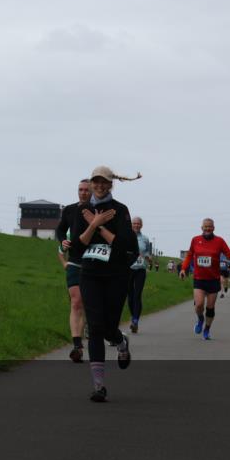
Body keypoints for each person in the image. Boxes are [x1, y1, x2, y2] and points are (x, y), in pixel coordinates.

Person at [68, 165, 141, 402]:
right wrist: (91, 224)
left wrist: (98, 225)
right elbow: (77, 248)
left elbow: (125, 247)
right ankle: (99, 385)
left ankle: (120, 342)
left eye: (104, 182)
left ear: (111, 184)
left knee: (109, 328)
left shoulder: (120, 210)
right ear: (90, 184)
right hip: (90, 274)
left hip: (116, 275)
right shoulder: (83, 210)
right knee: (96, 328)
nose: (99, 186)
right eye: (95, 182)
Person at [180, 219, 230, 339]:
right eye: (205, 227)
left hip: (213, 279)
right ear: (201, 227)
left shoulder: (219, 241)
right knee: (199, 305)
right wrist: (183, 269)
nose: (207, 229)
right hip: (199, 279)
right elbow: (190, 255)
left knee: (210, 308)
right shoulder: (195, 240)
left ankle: (207, 329)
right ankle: (200, 319)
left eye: (210, 227)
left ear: (214, 228)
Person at [56, 179, 92, 362]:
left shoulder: (97, 210)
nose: (83, 192)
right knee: (76, 302)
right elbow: (60, 230)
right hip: (74, 262)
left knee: (86, 302)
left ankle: (92, 329)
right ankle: (77, 346)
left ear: (92, 191)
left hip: (93, 263)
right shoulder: (69, 210)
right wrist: (62, 240)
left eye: (86, 190)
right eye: (80, 190)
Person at [126, 216, 154, 334]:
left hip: (140, 269)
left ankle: (135, 321)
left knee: (137, 295)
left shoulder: (145, 239)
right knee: (130, 296)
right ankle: (134, 317)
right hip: (128, 269)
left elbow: (147, 252)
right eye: (134, 223)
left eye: (138, 224)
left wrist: (148, 257)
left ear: (141, 225)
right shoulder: (126, 236)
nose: (136, 225)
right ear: (131, 224)